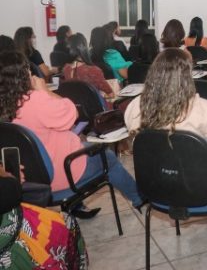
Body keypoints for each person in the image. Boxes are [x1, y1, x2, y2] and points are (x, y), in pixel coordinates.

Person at [0, 51, 143, 213]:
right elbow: (72, 113)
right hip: (63, 173)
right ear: (23, 74)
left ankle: (76, 206)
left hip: (32, 181)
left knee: (87, 146)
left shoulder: (6, 107)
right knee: (108, 157)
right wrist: (45, 91)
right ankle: (139, 198)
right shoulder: (34, 100)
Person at [125, 48, 207, 220]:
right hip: (200, 188)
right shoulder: (203, 109)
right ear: (187, 77)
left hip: (156, 186)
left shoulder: (133, 107)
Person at [0, 165, 88, 269]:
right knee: (64, 223)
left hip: (13, 222)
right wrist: (8, 175)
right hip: (12, 239)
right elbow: (11, 192)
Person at [63, 33, 115, 100]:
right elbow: (111, 94)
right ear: (84, 48)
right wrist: (102, 94)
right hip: (95, 105)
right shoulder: (93, 70)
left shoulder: (66, 69)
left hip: (75, 105)